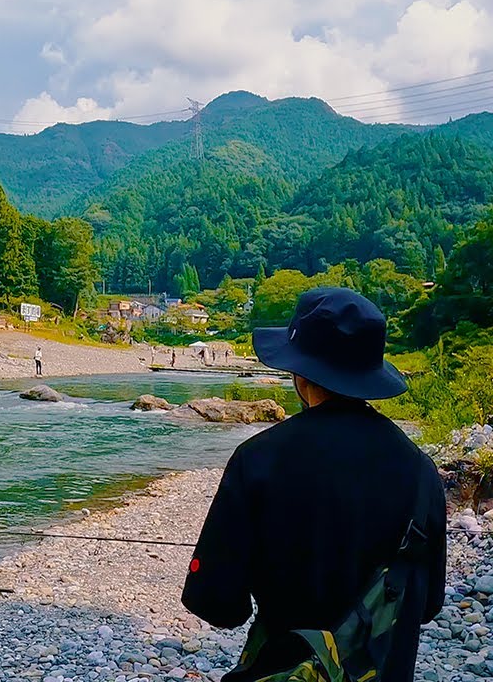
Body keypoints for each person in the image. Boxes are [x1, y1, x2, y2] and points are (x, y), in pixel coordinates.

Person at [182, 288, 445, 682]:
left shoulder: (258, 459)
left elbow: (217, 604)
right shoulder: (422, 472)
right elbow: (427, 605)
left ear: (301, 373)